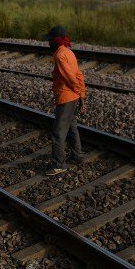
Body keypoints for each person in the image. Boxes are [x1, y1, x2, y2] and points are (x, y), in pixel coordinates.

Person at [44, 25, 85, 176]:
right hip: (73, 96)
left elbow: (70, 77)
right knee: (72, 127)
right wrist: (81, 95)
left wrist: (78, 92)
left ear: (55, 41)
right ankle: (77, 155)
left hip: (66, 97)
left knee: (58, 132)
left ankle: (58, 164)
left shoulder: (60, 55)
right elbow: (79, 75)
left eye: (50, 40)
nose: (48, 43)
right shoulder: (69, 52)